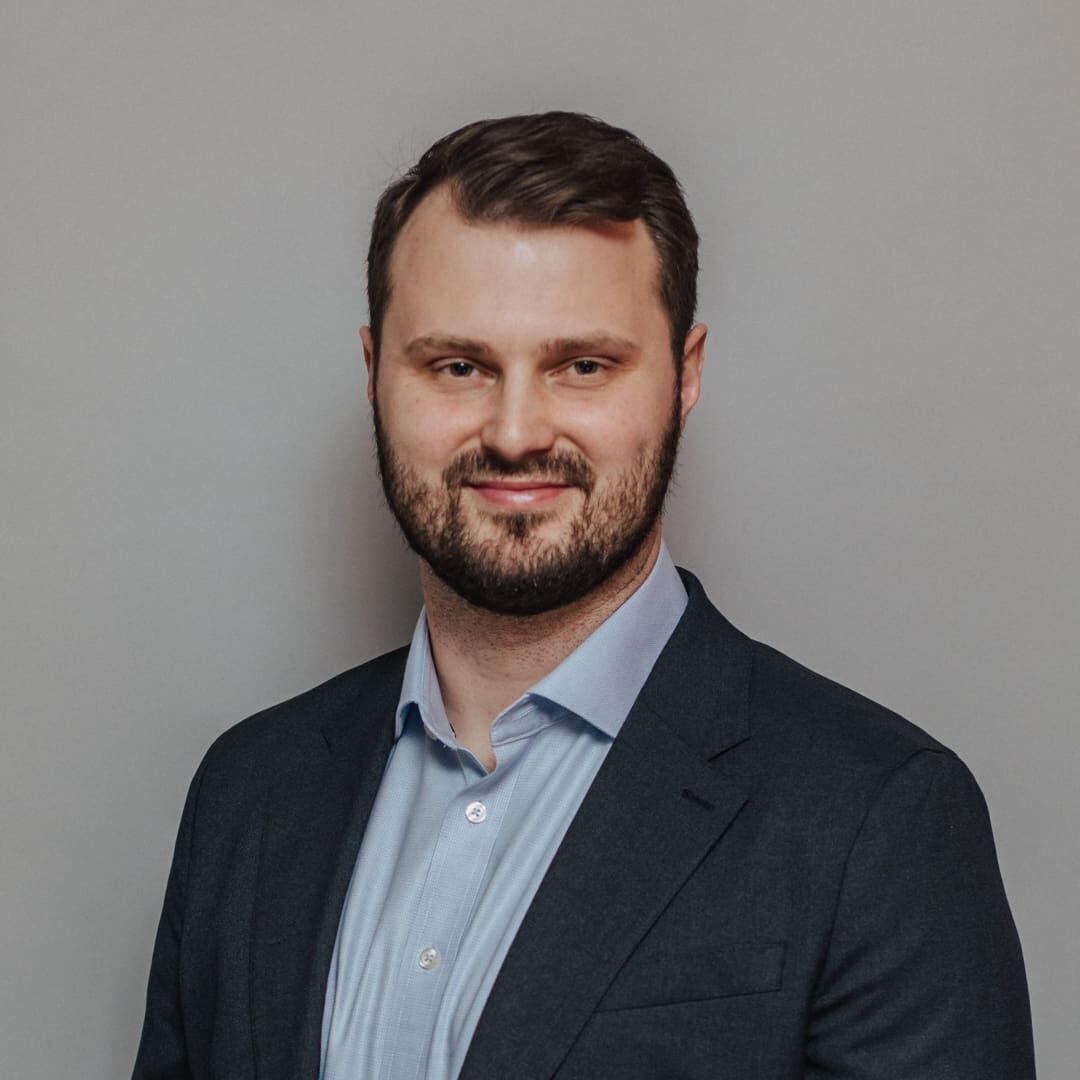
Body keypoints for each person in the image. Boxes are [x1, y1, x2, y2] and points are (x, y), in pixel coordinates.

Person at [132, 112, 1035, 1080]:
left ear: (683, 379)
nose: (516, 431)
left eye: (584, 366)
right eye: (459, 365)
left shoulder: (874, 818)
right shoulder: (250, 792)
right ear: (374, 375)